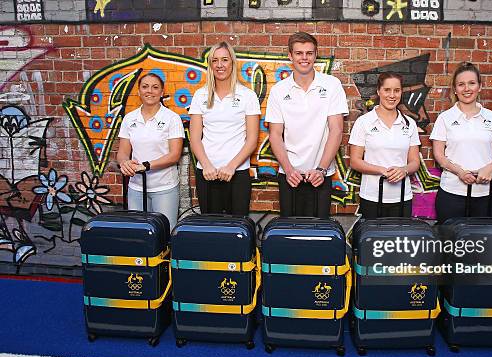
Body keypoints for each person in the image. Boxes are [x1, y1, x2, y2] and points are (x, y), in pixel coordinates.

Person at [266, 32, 348, 218]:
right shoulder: (279, 90)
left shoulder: (332, 85)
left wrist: (321, 169)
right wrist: (288, 170)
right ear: (290, 56)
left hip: (321, 173)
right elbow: (275, 134)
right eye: (299, 53)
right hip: (289, 174)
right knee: (289, 232)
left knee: (319, 232)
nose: (304, 58)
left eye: (309, 53)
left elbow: (336, 130)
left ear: (315, 54)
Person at [430, 62, 492, 224]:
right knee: (450, 244)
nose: (467, 89)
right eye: (461, 84)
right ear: (455, 89)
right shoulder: (445, 118)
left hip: (485, 194)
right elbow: (439, 155)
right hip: (452, 193)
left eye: (471, 83)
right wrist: (459, 172)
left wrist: (490, 168)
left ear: (479, 86)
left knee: (483, 244)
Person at [189, 41, 260, 216]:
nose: (220, 65)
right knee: (210, 228)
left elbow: (252, 140)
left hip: (237, 173)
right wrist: (206, 166)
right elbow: (195, 138)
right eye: (215, 60)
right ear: (210, 65)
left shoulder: (247, 95)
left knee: (237, 227)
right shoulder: (200, 95)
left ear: (232, 63)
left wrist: (231, 167)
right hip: (207, 173)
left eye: (225, 60)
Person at [349, 72, 421, 219]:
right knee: (372, 241)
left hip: (402, 197)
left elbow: (415, 162)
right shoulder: (364, 122)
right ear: (378, 91)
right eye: (387, 90)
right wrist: (382, 170)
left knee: (398, 241)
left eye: (397, 90)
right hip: (371, 197)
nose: (392, 95)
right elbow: (355, 161)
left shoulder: (409, 124)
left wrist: (404, 170)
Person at [117, 72, 184, 228]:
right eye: (145, 87)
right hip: (136, 187)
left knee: (165, 234)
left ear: (161, 92)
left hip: (164, 187)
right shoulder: (129, 118)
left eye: (155, 87)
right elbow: (122, 152)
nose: (150, 91)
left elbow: (174, 155)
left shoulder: (172, 118)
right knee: (138, 234)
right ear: (139, 91)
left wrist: (146, 166)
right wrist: (124, 163)